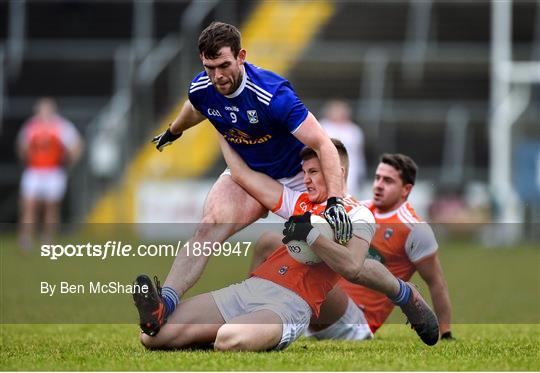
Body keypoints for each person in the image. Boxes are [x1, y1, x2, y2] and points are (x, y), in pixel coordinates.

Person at [134, 21, 353, 337]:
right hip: (247, 177)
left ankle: (351, 321)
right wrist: (173, 130)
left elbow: (321, 142)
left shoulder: (273, 95)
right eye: (209, 68)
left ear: (241, 57)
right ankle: (162, 306)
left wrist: (335, 200)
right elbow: (195, 108)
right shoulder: (203, 87)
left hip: (293, 178)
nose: (218, 76)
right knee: (207, 228)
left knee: (333, 250)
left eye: (224, 65)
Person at [136, 139, 439, 351]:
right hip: (251, 292)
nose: (305, 180)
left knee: (231, 339)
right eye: (304, 172)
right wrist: (220, 121)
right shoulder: (298, 201)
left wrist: (312, 234)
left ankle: (404, 293)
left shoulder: (356, 212)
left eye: (314, 172)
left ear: (337, 173)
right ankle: (223, 323)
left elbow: (353, 266)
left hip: (292, 305)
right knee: (151, 337)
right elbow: (242, 174)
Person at [252, 153, 454, 341]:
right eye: (378, 178)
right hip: (324, 305)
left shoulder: (415, 229)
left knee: (343, 261)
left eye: (388, 181)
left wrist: (445, 333)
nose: (379, 185)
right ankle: (247, 315)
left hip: (355, 321)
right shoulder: (356, 209)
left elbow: (437, 282)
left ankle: (403, 293)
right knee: (269, 242)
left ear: (406, 189)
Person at [16, 98, 83, 251]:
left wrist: (70, 160)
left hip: (53, 171)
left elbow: (77, 145)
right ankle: (26, 238)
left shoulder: (61, 126)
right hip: (34, 170)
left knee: (51, 207)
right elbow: (21, 146)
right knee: (29, 205)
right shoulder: (31, 126)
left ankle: (48, 239)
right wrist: (25, 156)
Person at [319, 100, 366, 196]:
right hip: (327, 167)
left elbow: (359, 154)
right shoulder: (323, 126)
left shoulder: (354, 130)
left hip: (350, 169)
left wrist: (361, 172)